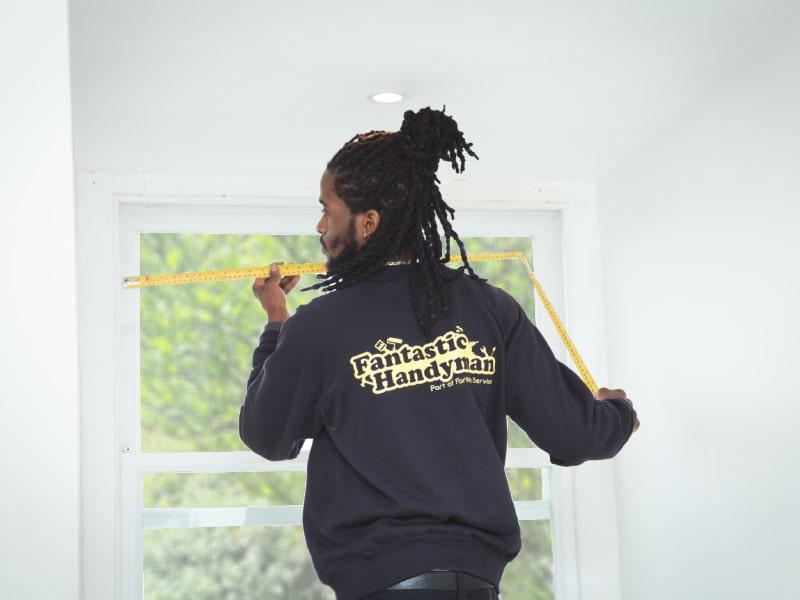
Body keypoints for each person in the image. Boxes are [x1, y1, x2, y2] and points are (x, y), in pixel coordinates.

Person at [240, 105, 640, 600]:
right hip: (474, 583)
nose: (319, 225)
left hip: (378, 581)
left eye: (327, 208)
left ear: (368, 222)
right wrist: (618, 412)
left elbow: (266, 434)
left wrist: (276, 326)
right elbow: (577, 434)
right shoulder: (490, 308)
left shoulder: (320, 324)